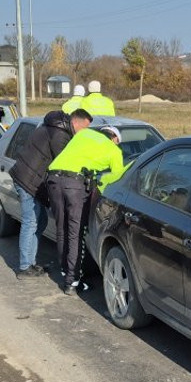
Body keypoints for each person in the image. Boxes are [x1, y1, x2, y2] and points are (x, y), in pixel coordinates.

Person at [45, 110, 125, 295]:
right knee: (75, 233)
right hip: (75, 185)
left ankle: (65, 272)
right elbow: (117, 179)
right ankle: (72, 282)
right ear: (114, 139)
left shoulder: (84, 134)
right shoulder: (114, 150)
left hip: (53, 180)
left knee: (62, 229)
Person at [8, 110, 75, 278]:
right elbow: (64, 162)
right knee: (30, 222)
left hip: (29, 178)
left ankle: (30, 262)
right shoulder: (59, 135)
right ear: (75, 122)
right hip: (27, 181)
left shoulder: (49, 127)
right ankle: (24, 267)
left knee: (41, 221)